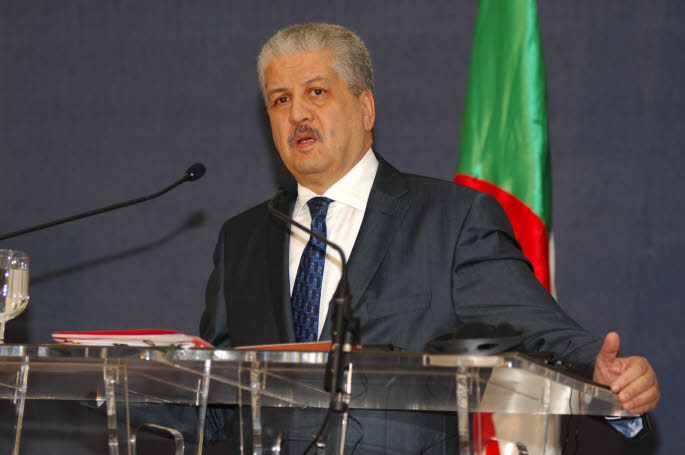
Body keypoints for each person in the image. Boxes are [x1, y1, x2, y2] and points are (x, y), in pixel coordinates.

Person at [200, 23, 659, 452]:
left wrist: (605, 372)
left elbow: (541, 331)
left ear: (365, 108)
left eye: (316, 92)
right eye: (280, 100)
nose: (297, 113)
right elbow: (210, 395)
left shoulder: (452, 220)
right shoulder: (241, 239)